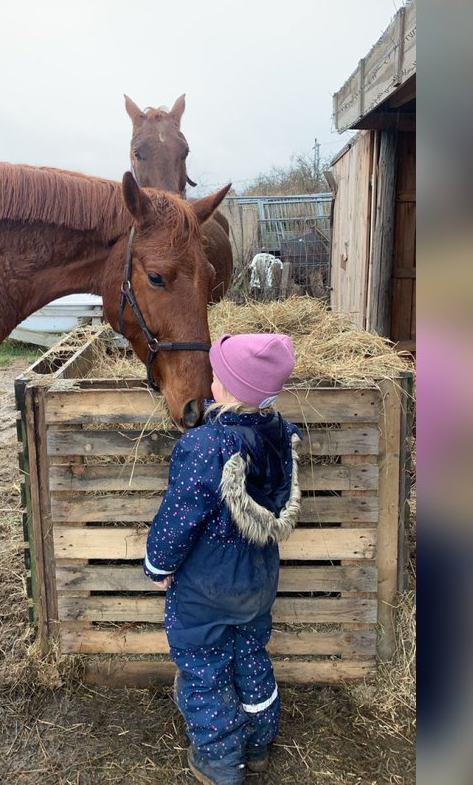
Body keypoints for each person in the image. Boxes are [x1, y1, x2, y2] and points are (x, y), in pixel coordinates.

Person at [144, 333, 303, 784]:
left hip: (208, 586)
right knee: (251, 654)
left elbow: (180, 516)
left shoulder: (207, 446)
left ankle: (219, 763)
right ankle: (258, 744)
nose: (209, 380)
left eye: (216, 375)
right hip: (258, 580)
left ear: (228, 388)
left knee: (205, 668)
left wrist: (159, 564)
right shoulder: (281, 435)